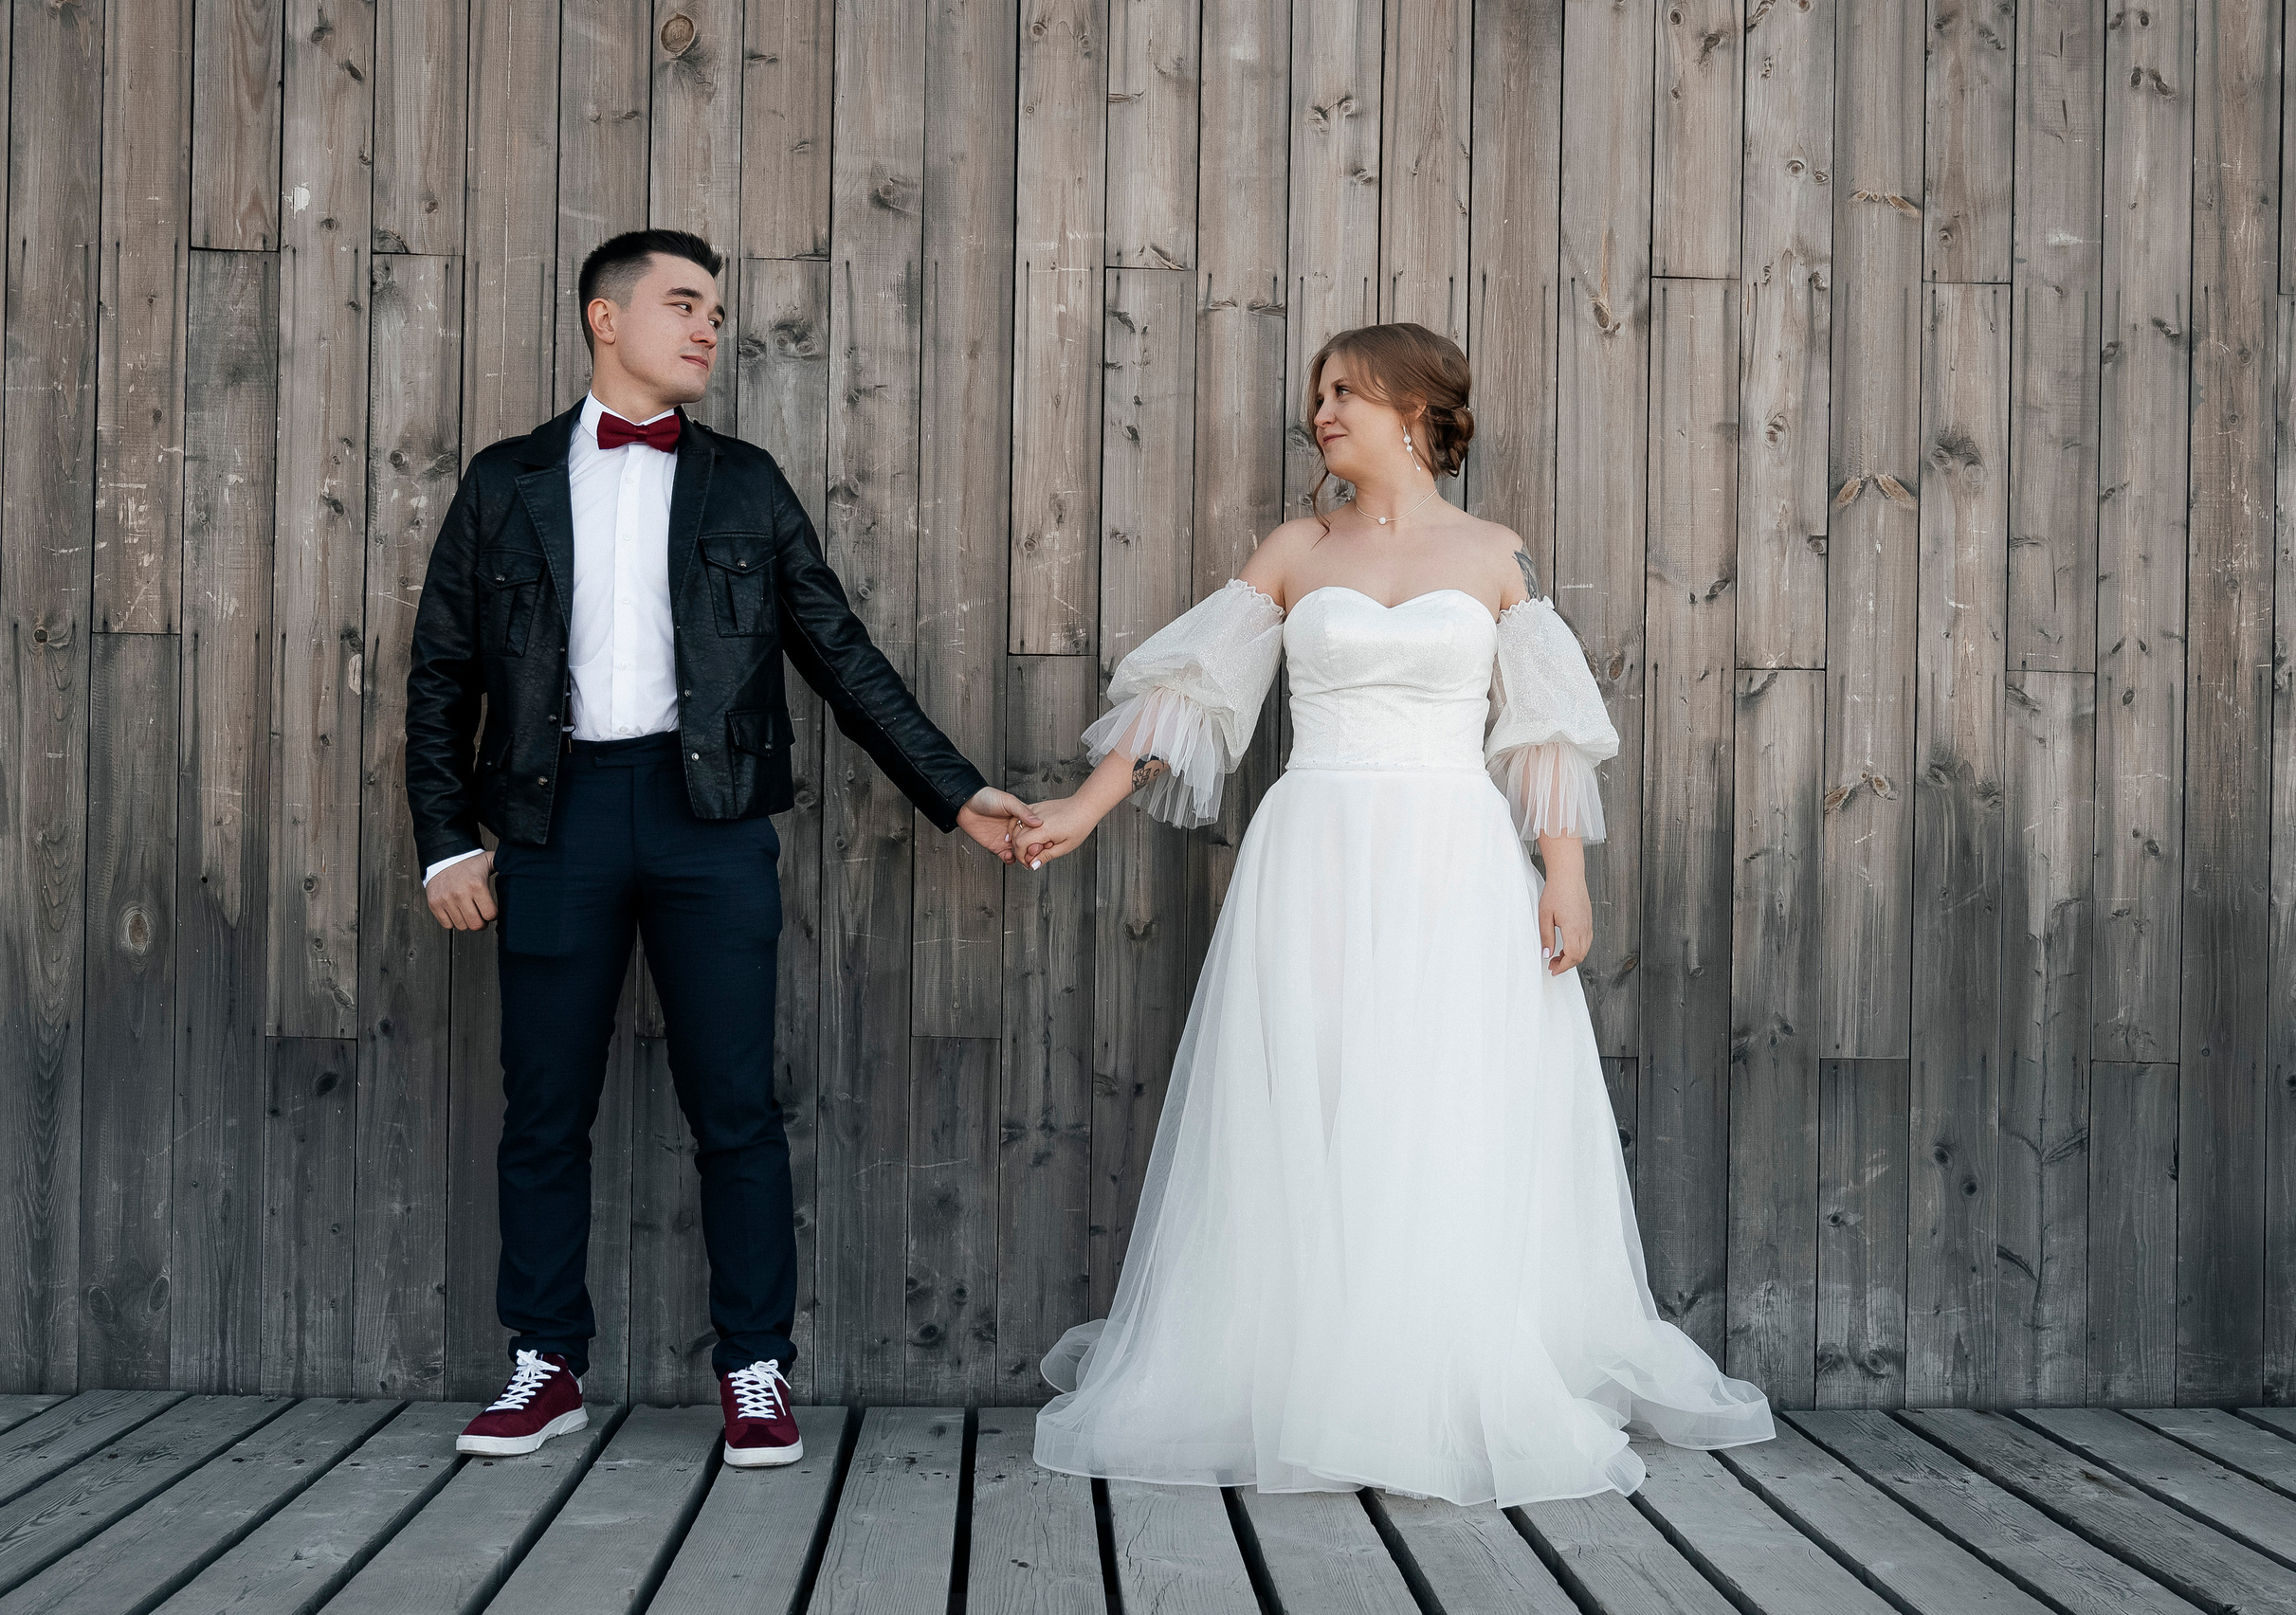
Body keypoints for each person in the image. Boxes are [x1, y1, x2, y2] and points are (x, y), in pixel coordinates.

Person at [1007, 322, 1775, 1505]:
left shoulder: (1497, 555)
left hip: (1453, 859)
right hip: (1313, 853)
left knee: (1440, 1102)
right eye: (1318, 396)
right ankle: (1303, 1374)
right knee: (1313, 1092)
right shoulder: (1296, 550)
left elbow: (1543, 727)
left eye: (1344, 393)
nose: (1320, 413)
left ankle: (1431, 1375)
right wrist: (1082, 807)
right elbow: (1191, 697)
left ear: (1415, 410)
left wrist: (1564, 875)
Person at [403, 228, 1043, 1466]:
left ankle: (756, 1368)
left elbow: (840, 655)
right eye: (682, 304)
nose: (708, 326)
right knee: (544, 1107)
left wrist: (957, 794)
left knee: (736, 1108)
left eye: (714, 309)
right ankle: (546, 1363)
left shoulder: (744, 483)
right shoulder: (504, 481)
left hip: (711, 821)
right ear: (605, 317)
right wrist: (446, 842)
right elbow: (442, 674)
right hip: (552, 818)